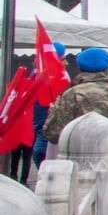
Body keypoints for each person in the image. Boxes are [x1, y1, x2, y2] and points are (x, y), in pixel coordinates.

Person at [43, 48, 108, 147]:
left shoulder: (71, 95)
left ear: (79, 68)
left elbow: (54, 135)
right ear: (107, 69)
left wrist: (53, 113)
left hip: (78, 153)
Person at [32, 41, 67, 171]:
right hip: (47, 144)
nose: (66, 63)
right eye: (63, 59)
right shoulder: (48, 81)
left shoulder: (40, 77)